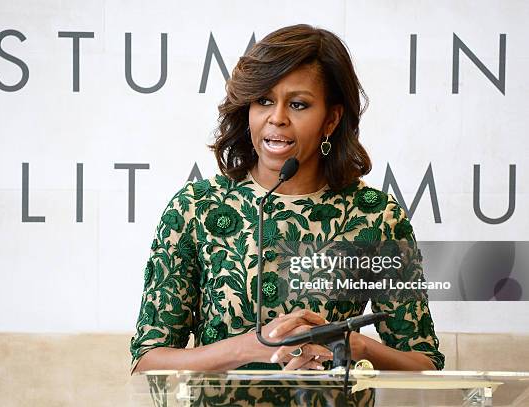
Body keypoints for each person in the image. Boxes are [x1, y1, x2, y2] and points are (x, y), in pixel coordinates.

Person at [130, 24, 444, 375]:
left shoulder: (374, 217)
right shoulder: (196, 208)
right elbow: (147, 362)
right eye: (263, 100)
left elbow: (424, 364)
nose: (276, 118)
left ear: (331, 119)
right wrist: (249, 347)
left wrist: (351, 343)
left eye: (298, 104)